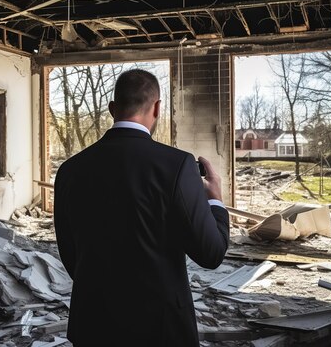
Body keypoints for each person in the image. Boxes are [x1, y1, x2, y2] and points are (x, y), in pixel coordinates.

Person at [54, 69, 230, 347]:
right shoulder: (177, 165)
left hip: (93, 324)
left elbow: (71, 254)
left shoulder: (69, 170)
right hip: (159, 329)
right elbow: (211, 253)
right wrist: (215, 201)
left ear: (112, 109)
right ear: (158, 107)